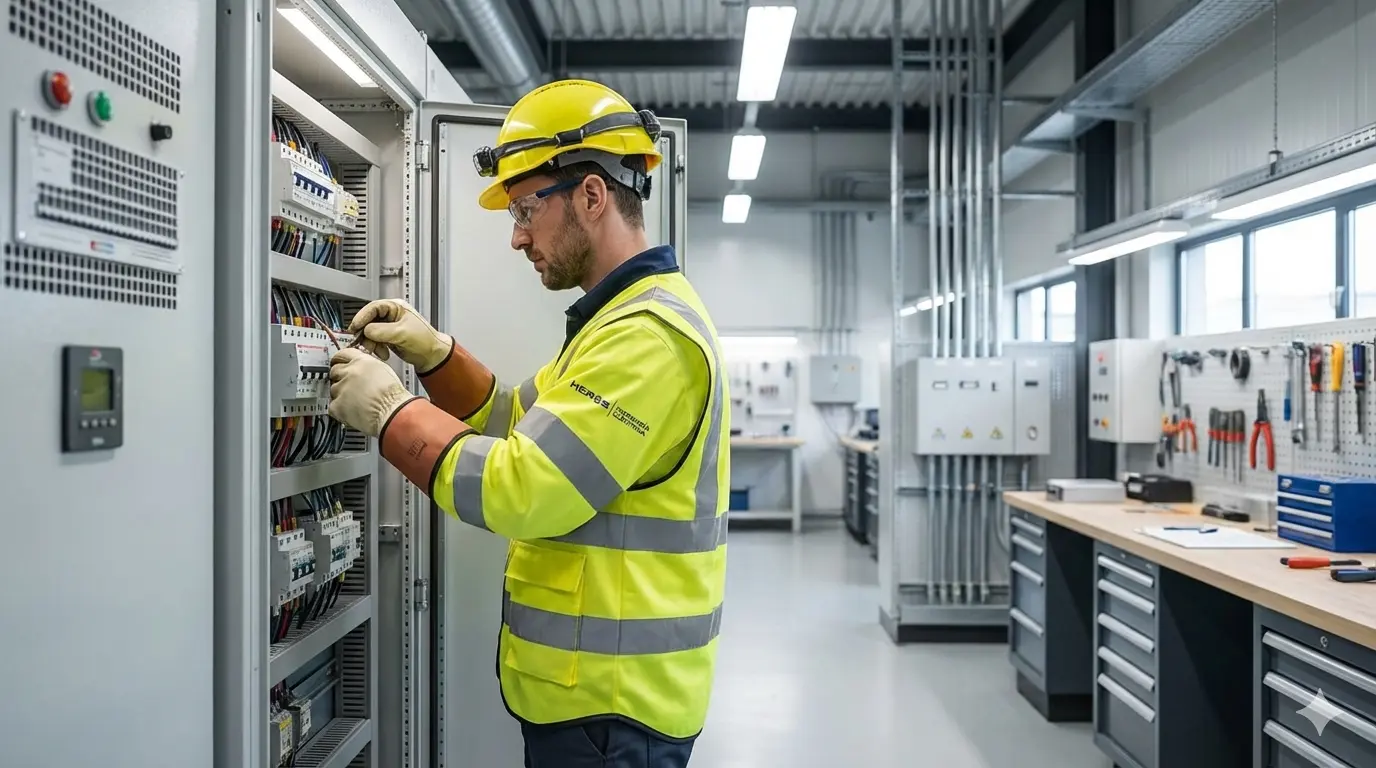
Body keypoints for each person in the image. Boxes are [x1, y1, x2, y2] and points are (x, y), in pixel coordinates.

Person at [325, 79, 729, 768]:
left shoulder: (646, 339)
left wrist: (392, 415)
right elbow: (519, 418)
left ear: (593, 196)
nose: (516, 237)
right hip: (595, 705)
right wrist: (435, 354)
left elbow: (526, 488)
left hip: (613, 714)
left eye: (523, 210)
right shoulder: (616, 324)